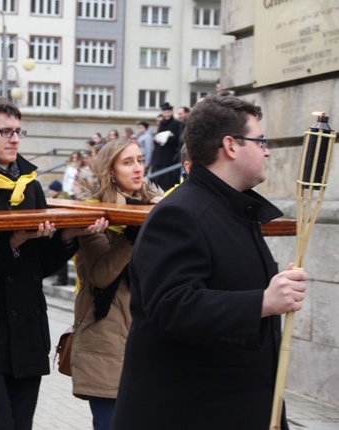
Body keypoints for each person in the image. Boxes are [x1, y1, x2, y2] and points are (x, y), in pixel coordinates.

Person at [112, 96, 308, 429]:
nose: (267, 151)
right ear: (231, 145)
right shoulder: (180, 213)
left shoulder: (231, 209)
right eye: (260, 141)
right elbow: (170, 307)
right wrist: (263, 301)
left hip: (231, 407)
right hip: (191, 411)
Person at [0, 97, 106, 430]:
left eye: (18, 131)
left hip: (27, 336)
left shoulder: (31, 186)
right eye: (5, 131)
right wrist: (13, 242)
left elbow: (39, 267)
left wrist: (68, 237)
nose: (14, 139)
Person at [70, 138, 162, 430]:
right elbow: (100, 276)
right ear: (110, 171)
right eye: (127, 162)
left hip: (148, 337)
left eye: (139, 160)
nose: (137, 168)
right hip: (106, 341)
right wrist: (132, 236)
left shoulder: (156, 209)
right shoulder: (94, 212)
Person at [149, 102, 182, 190]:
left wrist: (166, 140)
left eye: (168, 112)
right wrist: (156, 140)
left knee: (166, 181)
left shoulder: (176, 124)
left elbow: (177, 139)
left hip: (169, 158)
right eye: (165, 112)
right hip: (158, 157)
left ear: (171, 112)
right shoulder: (162, 124)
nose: (166, 114)